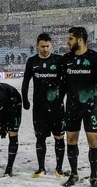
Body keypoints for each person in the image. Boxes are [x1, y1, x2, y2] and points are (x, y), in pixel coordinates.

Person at [59, 27, 97, 187]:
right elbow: (63, 85)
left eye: (71, 38)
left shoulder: (94, 57)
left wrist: (96, 103)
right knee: (71, 141)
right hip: (72, 108)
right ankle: (73, 174)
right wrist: (60, 102)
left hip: (90, 108)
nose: (68, 41)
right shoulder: (66, 59)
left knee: (93, 142)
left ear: (80, 40)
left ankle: (94, 177)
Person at [22, 33, 65, 178]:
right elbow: (26, 81)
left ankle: (59, 168)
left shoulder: (59, 60)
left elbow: (66, 82)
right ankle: (41, 168)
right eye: (42, 46)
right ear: (37, 46)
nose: (45, 49)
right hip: (39, 108)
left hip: (57, 107)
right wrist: (25, 99)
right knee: (40, 138)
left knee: (59, 137)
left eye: (47, 46)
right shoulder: (32, 61)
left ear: (51, 45)